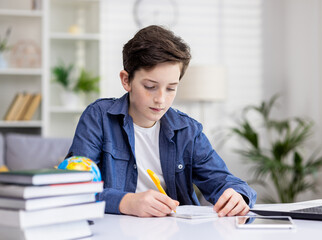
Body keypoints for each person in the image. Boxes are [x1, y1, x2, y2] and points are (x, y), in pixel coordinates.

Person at [66, 25, 256, 217]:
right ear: (126, 80)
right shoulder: (98, 117)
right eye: (150, 86)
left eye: (171, 88)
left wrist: (237, 196)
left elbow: (224, 180)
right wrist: (126, 202)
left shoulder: (187, 130)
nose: (161, 99)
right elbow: (75, 187)